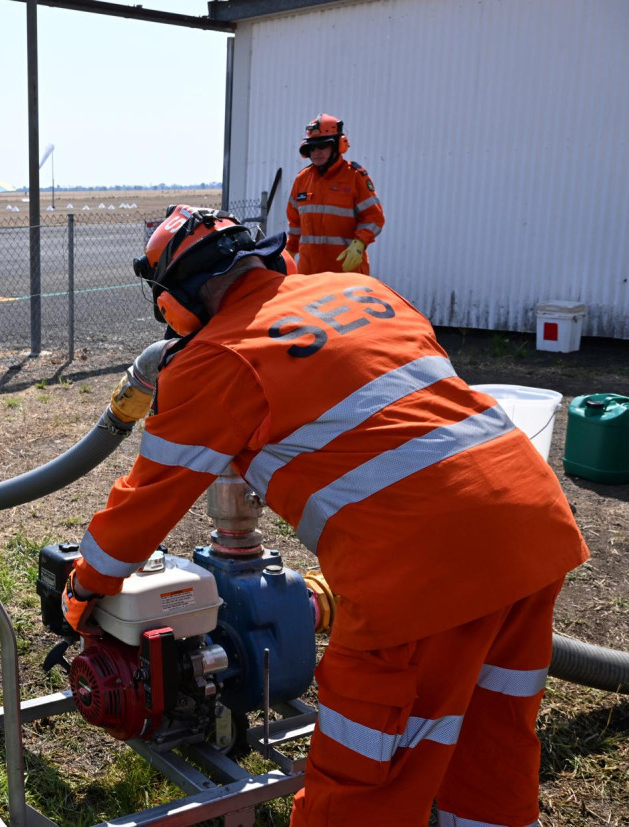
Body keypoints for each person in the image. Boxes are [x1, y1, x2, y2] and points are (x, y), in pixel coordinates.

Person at [62, 205, 588, 826]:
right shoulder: (362, 290)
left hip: (421, 572)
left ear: (174, 298)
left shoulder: (216, 358)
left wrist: (85, 588)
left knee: (363, 774)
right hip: (533, 522)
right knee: (491, 735)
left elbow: (143, 505)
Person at [286, 114, 385, 275]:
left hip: (345, 271)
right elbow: (295, 224)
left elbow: (374, 217)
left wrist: (359, 243)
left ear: (338, 145)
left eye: (323, 146)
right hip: (309, 273)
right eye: (312, 148)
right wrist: (290, 251)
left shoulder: (354, 177)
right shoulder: (301, 180)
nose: (316, 152)